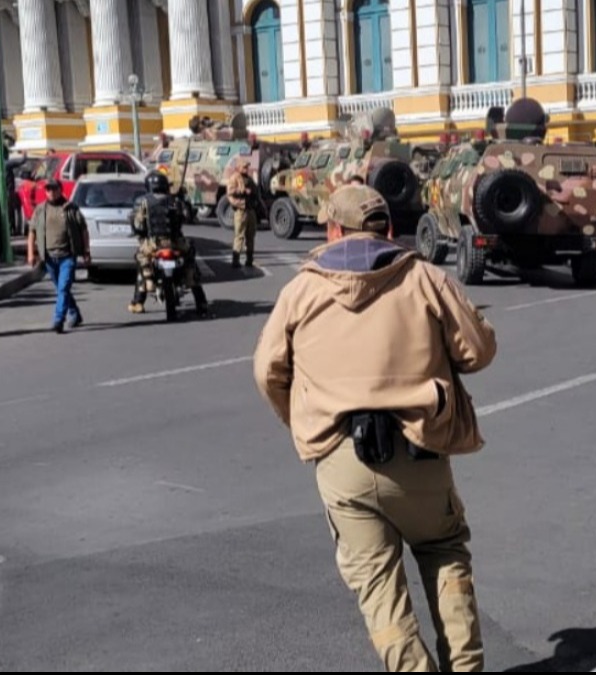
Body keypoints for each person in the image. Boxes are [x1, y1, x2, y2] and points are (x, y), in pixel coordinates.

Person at [254, 185, 495, 672]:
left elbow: (267, 372)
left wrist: (305, 420)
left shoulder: (301, 290)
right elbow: (478, 351)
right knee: (443, 550)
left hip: (342, 458)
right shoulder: (425, 278)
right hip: (421, 447)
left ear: (333, 230)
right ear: (387, 229)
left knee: (378, 587)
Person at [128, 172, 210, 317]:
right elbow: (187, 217)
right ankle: (201, 303)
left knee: (141, 263)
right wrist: (182, 200)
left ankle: (138, 302)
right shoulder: (174, 200)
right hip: (176, 243)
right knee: (191, 265)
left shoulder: (143, 202)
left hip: (153, 244)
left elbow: (138, 225)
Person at [27, 178, 90, 333]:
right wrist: (31, 253)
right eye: (48, 190)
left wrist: (86, 251)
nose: (51, 192)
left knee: (63, 288)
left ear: (60, 190)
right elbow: (32, 232)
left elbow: (83, 230)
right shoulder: (41, 210)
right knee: (62, 289)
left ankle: (58, 319)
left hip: (67, 256)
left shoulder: (70, 208)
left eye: (54, 189)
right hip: (49, 258)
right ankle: (74, 313)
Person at [227, 158, 257, 268]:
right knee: (239, 235)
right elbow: (230, 191)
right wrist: (242, 191)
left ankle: (249, 259)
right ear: (238, 167)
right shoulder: (234, 178)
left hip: (250, 209)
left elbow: (255, 191)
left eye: (247, 167)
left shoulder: (249, 179)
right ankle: (236, 259)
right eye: (244, 167)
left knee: (251, 235)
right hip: (241, 209)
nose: (246, 169)